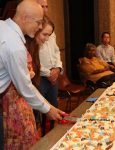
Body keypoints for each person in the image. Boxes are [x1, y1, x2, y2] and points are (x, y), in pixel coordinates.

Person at [0, 1, 64, 149]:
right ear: (24, 18)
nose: (40, 26)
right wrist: (49, 109)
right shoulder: (15, 45)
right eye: (38, 22)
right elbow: (24, 87)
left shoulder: (2, 26)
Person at [36, 0, 63, 135]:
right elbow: (32, 58)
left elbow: (56, 51)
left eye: (47, 6)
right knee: (39, 110)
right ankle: (41, 138)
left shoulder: (50, 27)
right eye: (42, 6)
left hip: (54, 75)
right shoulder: (33, 30)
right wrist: (48, 73)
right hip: (40, 77)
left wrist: (58, 68)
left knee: (54, 107)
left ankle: (52, 135)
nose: (45, 9)